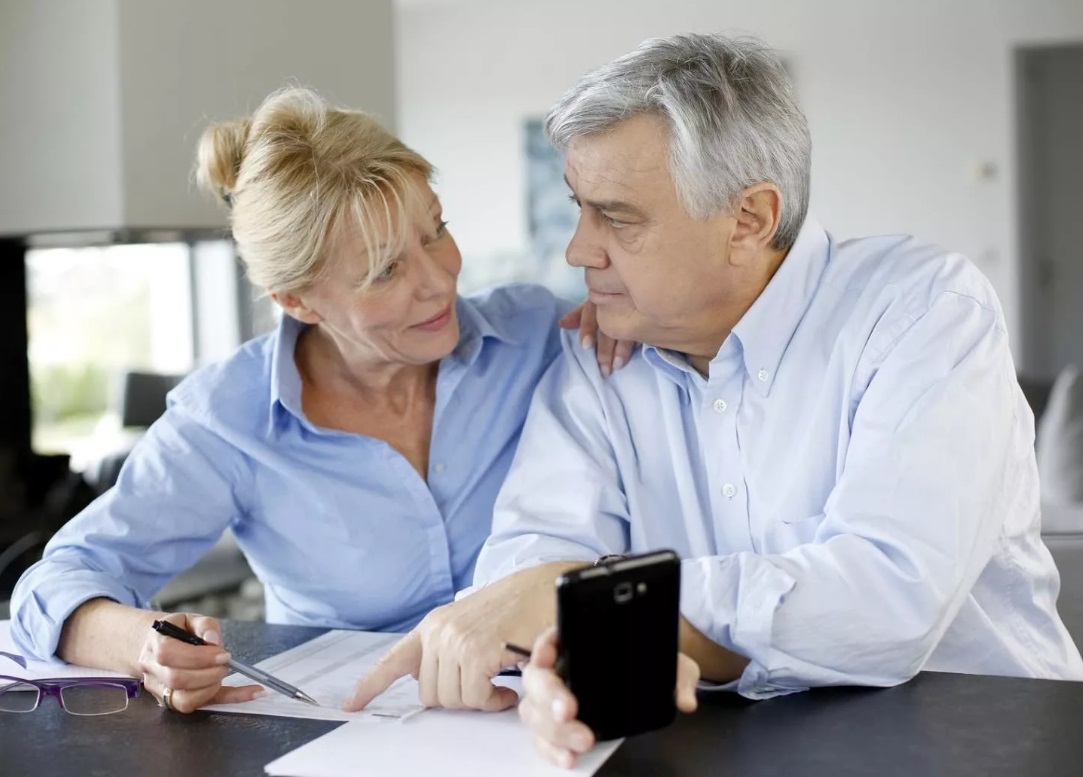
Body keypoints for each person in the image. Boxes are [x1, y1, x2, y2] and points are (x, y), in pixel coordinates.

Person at [347, 32, 1083, 766]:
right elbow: (529, 559)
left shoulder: (921, 310)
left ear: (749, 220)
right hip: (704, 746)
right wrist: (561, 639)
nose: (578, 249)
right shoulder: (601, 356)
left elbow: (886, 601)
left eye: (617, 217)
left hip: (980, 740)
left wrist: (597, 603)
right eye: (579, 208)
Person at [9, 86, 632, 715]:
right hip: (340, 732)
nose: (438, 278)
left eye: (435, 229)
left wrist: (636, 317)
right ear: (297, 301)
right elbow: (54, 583)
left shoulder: (537, 335)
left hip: (539, 717)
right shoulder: (231, 417)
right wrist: (144, 645)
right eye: (385, 271)